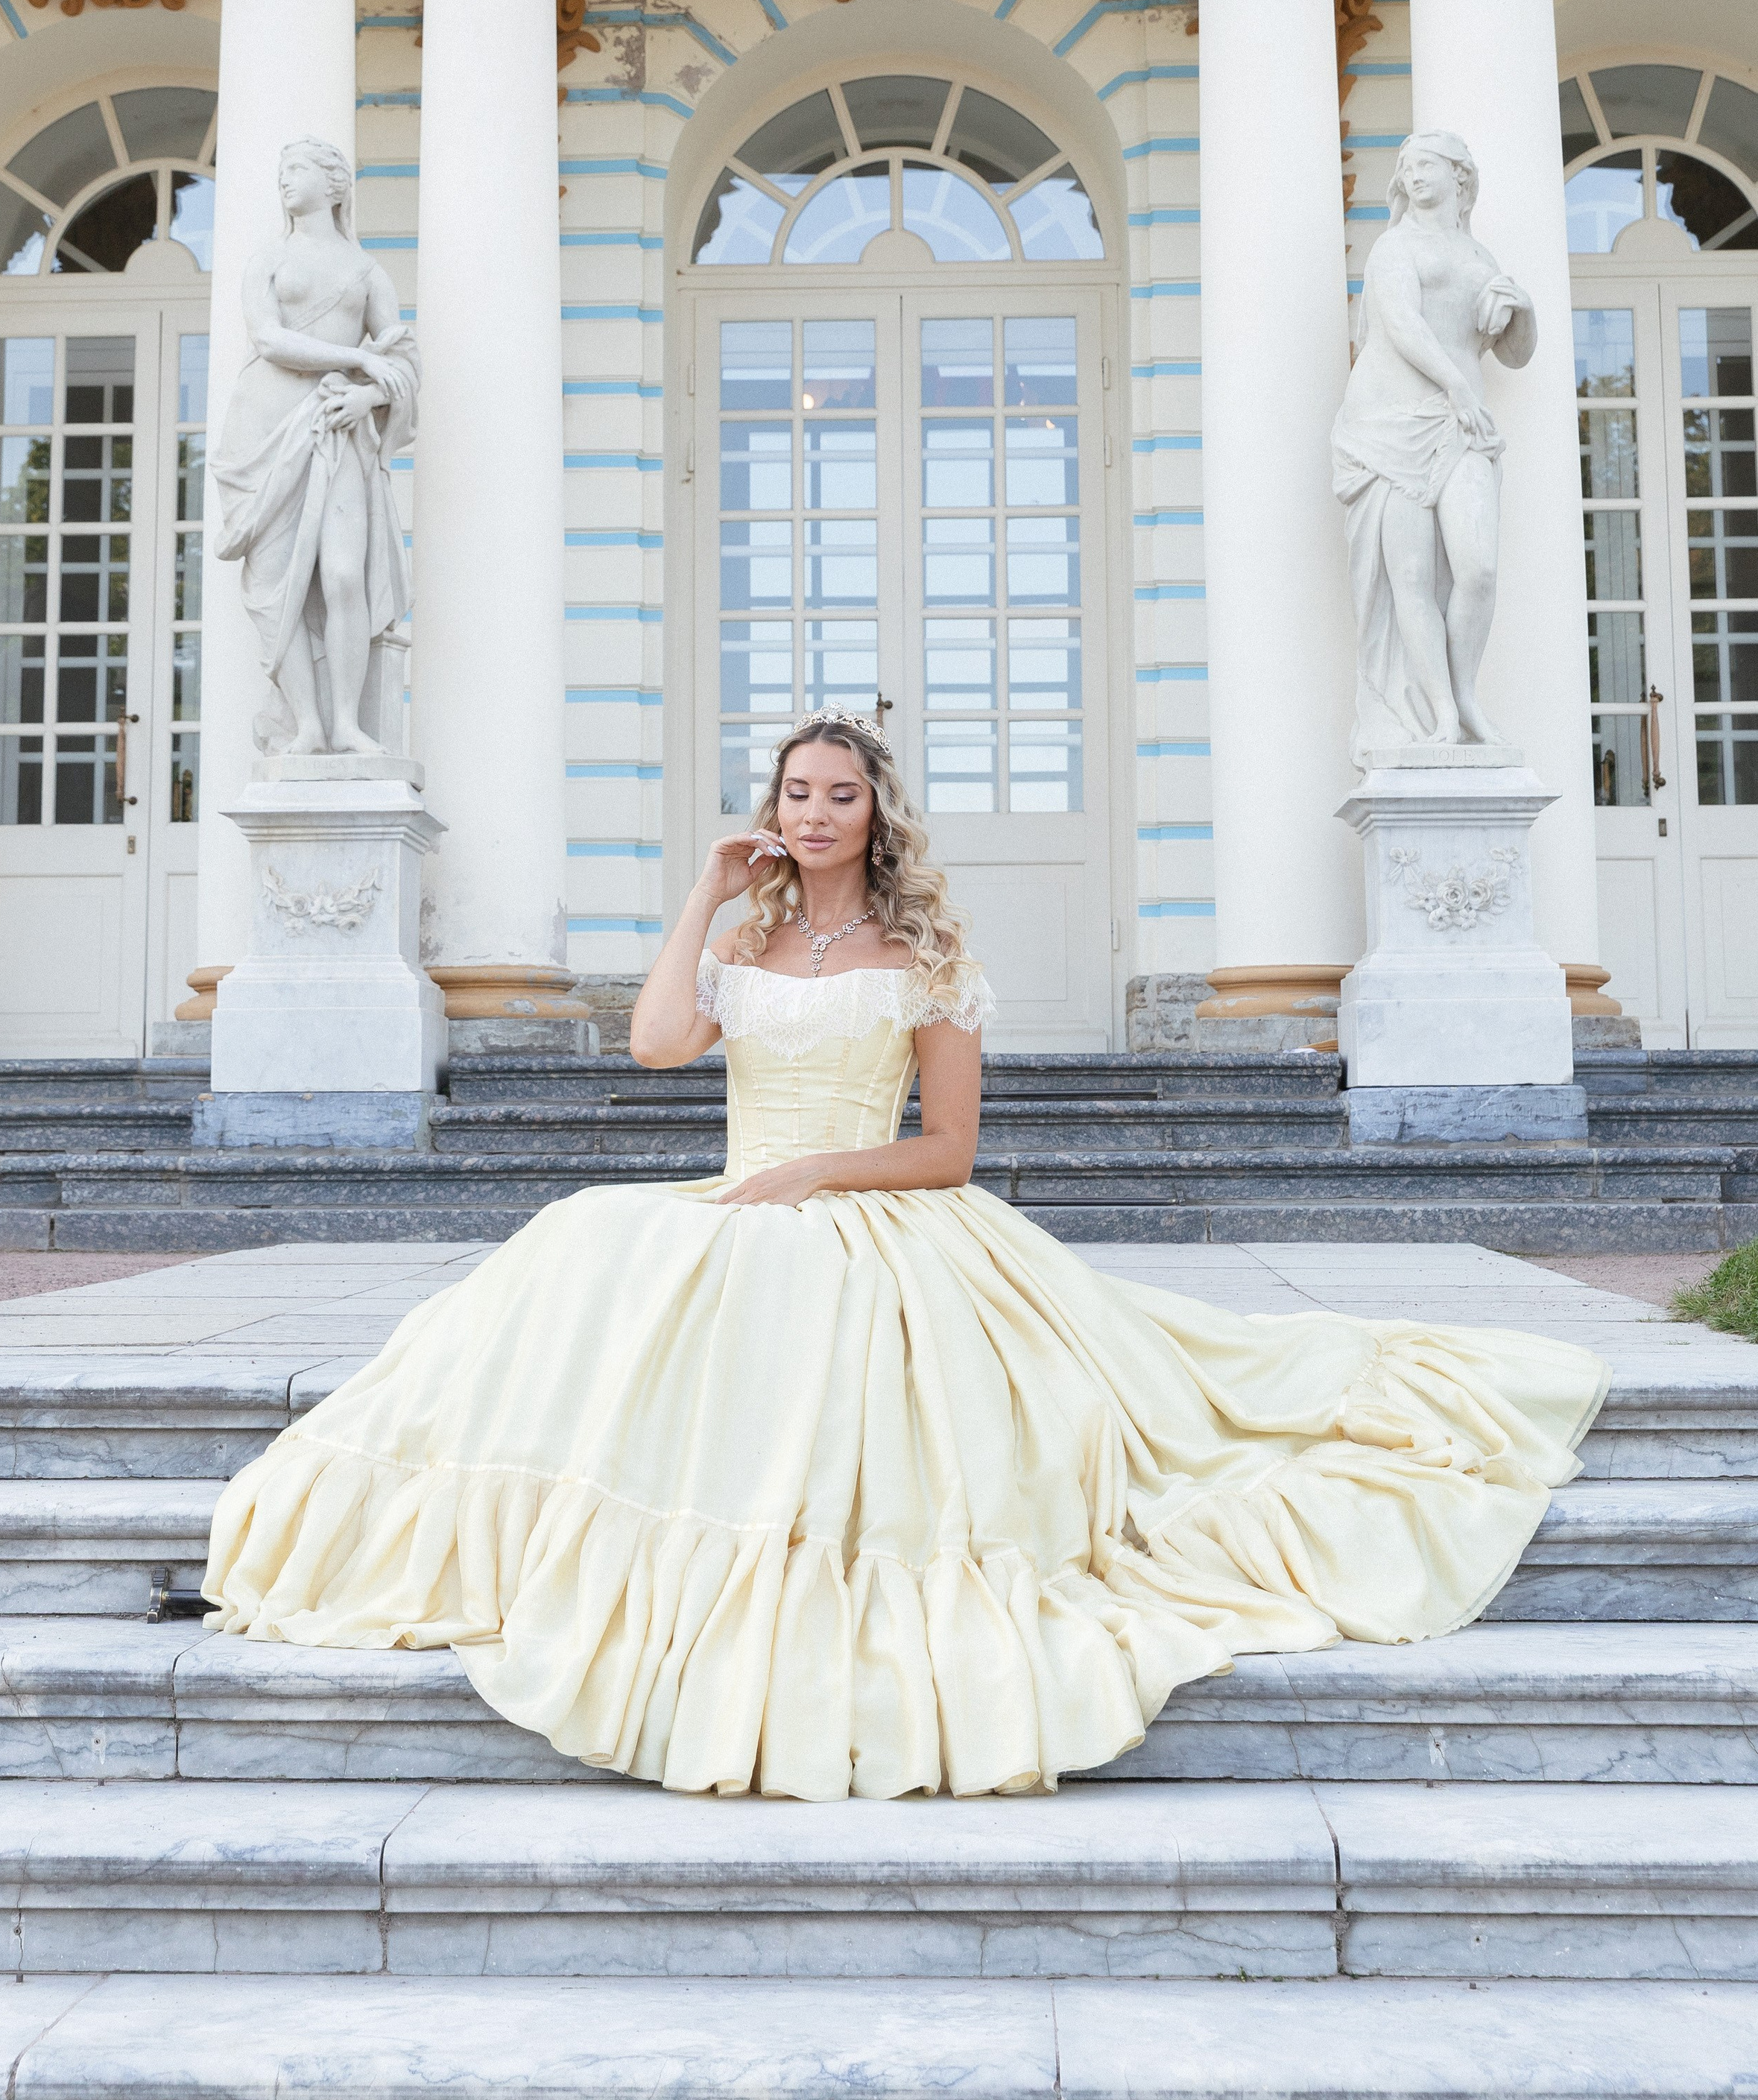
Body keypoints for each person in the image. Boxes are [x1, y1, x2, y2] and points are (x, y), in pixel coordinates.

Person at [201, 708, 1607, 1800]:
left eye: (839, 794)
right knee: (584, 1248)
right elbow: (655, 1044)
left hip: (875, 1202)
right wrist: (702, 891)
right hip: (747, 1194)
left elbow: (947, 1151)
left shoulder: (928, 953)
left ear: (877, 815)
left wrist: (819, 1173)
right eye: (793, 795)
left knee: (819, 1308)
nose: (813, 814)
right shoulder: (744, 935)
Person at [1332, 129, 1537, 764]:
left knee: (1478, 568)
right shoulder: (1395, 247)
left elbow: (1514, 353)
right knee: (1411, 578)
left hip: (1461, 426)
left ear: (1460, 176)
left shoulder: (1481, 258)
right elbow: (1400, 323)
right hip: (1390, 427)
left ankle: (1466, 694)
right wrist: (1455, 385)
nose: (1413, 175)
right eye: (1406, 167)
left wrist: (1523, 308)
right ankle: (1443, 716)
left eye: (1426, 164)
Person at [210, 136, 418, 758]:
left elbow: (403, 358)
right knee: (280, 589)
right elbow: (268, 339)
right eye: (280, 171)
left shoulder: (366, 271)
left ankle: (349, 724)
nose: (284, 181)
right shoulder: (267, 260)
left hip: (337, 427)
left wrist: (367, 399)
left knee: (345, 575)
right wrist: (357, 359)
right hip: (266, 427)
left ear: (334, 185)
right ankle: (307, 724)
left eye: (296, 169)